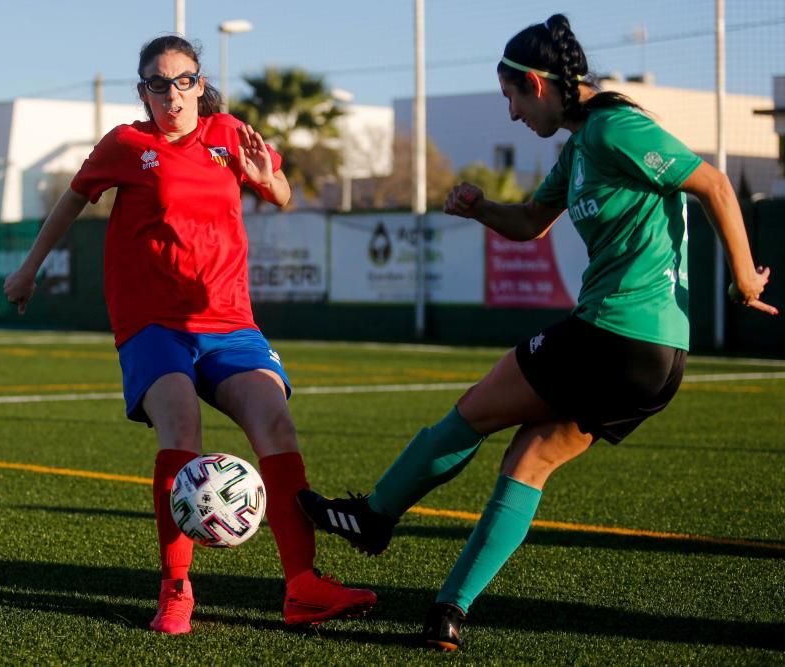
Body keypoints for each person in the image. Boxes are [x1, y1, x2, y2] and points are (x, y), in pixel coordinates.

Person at [298, 14, 778, 652]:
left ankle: (373, 517)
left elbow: (713, 183)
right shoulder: (579, 149)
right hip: (657, 360)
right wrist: (481, 209)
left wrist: (745, 279)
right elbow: (529, 223)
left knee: (470, 414)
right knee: (528, 461)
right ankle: (447, 613)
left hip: (616, 335)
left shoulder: (615, 126)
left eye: (512, 98)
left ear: (537, 84)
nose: (512, 114)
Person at [2, 35, 376, 635]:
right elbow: (71, 202)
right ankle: (176, 589)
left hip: (229, 321)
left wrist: (266, 178)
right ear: (144, 90)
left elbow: (281, 195)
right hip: (153, 322)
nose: (172, 95)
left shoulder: (230, 133)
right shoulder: (127, 144)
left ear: (199, 84)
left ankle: (303, 587)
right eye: (158, 83)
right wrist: (28, 268)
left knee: (275, 422)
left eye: (183, 82)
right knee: (182, 427)